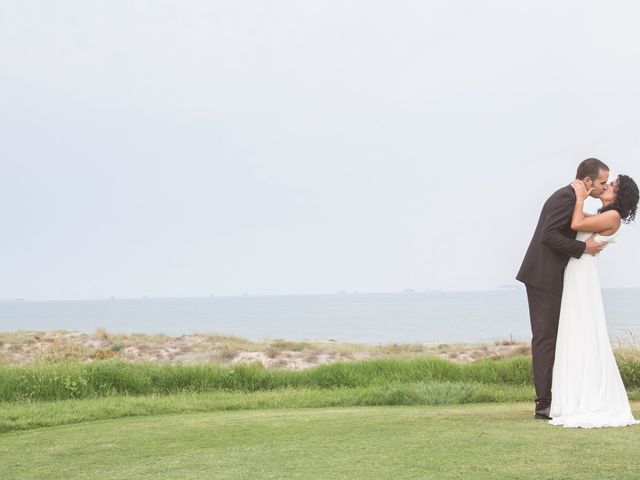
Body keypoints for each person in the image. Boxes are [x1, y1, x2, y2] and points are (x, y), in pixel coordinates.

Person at [516, 158, 609, 420]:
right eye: (602, 182)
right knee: (546, 339)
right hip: (543, 277)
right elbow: (549, 235)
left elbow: (571, 226)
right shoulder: (566, 198)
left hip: (551, 277)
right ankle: (543, 404)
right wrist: (584, 249)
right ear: (588, 181)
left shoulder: (571, 199)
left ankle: (557, 396)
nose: (603, 187)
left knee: (555, 338)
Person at [548, 174, 640, 428]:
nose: (607, 186)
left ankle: (586, 396)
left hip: (583, 273)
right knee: (576, 328)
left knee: (582, 327)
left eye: (612, 186)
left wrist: (579, 197)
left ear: (620, 196)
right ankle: (574, 393)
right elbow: (578, 220)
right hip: (579, 270)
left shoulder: (613, 217)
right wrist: (581, 199)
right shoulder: (604, 214)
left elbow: (576, 222)